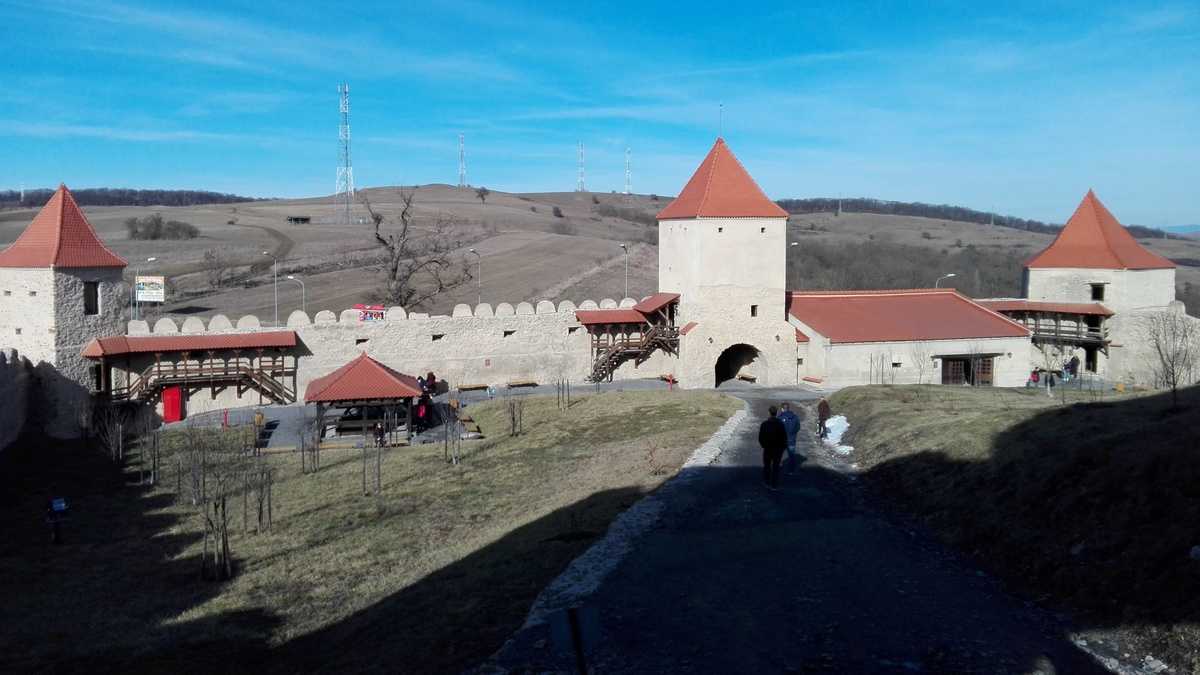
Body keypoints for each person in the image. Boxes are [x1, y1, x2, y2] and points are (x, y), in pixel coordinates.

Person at [758, 406, 787, 490]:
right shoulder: (781, 424)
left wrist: (764, 445)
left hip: (767, 449)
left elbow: (761, 437)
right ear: (777, 413)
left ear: (769, 413)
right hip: (778, 450)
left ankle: (767, 482)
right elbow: (784, 437)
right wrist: (782, 448)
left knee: (767, 466)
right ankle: (774, 484)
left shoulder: (764, 424)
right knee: (776, 466)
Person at [777, 402, 801, 474]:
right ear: (788, 408)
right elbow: (798, 427)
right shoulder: (795, 417)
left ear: (782, 409)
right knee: (791, 455)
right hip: (792, 439)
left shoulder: (780, 418)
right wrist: (793, 434)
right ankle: (791, 470)